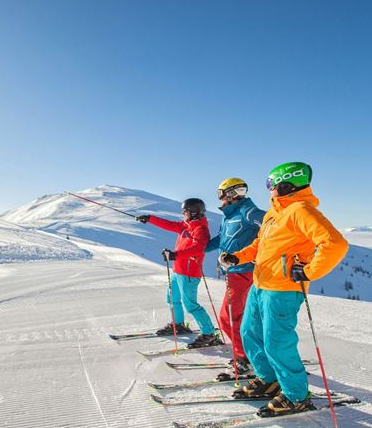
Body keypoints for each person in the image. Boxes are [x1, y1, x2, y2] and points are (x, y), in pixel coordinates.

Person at [219, 161, 348, 415]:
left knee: (277, 342)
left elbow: (336, 243)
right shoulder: (274, 213)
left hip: (283, 288)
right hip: (260, 283)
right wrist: (238, 257)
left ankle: (296, 396)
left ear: (285, 184)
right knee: (250, 333)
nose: (268, 190)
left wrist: (309, 271)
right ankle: (268, 380)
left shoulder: (301, 210)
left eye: (271, 184)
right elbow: (260, 245)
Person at [136, 198, 222, 348]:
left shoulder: (200, 229)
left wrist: (175, 255)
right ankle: (179, 325)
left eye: (185, 211)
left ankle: (209, 334)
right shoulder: (186, 226)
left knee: (190, 305)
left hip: (189, 273)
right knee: (172, 299)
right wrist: (150, 219)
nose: (183, 214)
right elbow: (169, 225)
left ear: (194, 213)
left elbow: (198, 248)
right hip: (178, 270)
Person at [205, 178, 265, 374]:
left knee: (228, 318)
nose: (220, 198)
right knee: (238, 317)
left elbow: (271, 225)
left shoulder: (248, 212)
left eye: (220, 193)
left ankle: (244, 356)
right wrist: (202, 248)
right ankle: (250, 352)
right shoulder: (228, 216)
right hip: (232, 272)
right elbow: (222, 239)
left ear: (229, 194)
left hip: (244, 272)